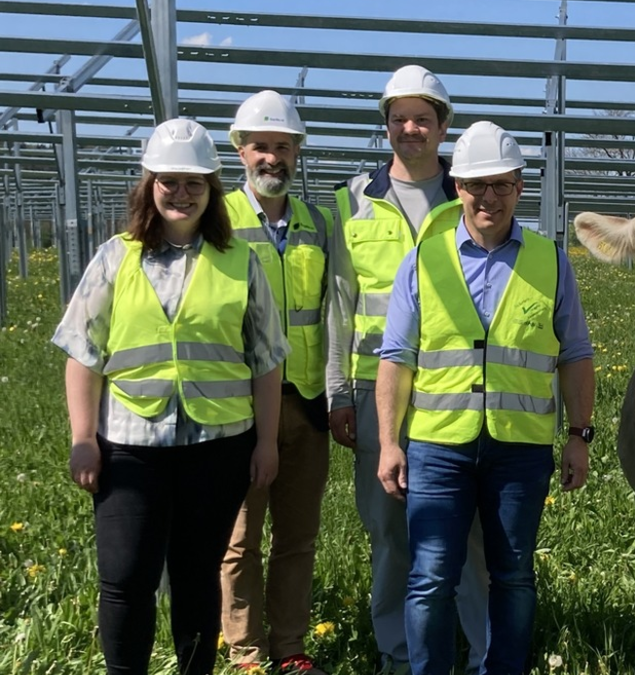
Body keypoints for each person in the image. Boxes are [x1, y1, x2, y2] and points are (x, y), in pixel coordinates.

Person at [53, 118, 286, 675]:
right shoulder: (115, 257)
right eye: (168, 181)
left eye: (194, 183)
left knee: (195, 575)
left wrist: (268, 443)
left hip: (218, 444)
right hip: (130, 444)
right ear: (149, 185)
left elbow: (267, 362)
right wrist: (83, 437)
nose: (180, 194)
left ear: (212, 189)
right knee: (125, 575)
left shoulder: (241, 262)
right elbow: (82, 353)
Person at [375, 121, 594, 675]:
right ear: (459, 188)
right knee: (430, 578)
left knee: (514, 576)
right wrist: (388, 443)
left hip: (519, 450)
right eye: (476, 185)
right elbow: (396, 357)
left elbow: (576, 355)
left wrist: (579, 436)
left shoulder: (551, 260)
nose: (488, 197)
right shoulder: (424, 260)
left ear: (520, 187)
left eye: (502, 184)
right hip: (438, 448)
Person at [325, 65, 488, 674]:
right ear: (386, 126)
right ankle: (399, 653)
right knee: (390, 528)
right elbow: (339, 305)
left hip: (455, 390)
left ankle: (481, 650)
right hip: (376, 391)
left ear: (443, 127)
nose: (410, 128)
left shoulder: (470, 195)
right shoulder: (354, 201)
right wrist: (337, 391)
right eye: (399, 119)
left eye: (423, 118)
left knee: (466, 529)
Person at [220, 90, 334, 674]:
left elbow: (334, 310)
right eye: (261, 145)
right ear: (240, 151)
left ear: (297, 153)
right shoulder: (218, 220)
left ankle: (291, 647)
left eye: (283, 147)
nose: (272, 157)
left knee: (297, 538)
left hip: (308, 403)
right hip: (240, 408)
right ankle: (245, 654)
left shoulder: (318, 223)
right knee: (239, 542)